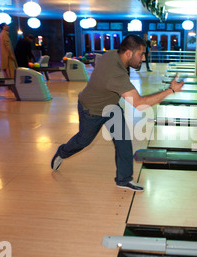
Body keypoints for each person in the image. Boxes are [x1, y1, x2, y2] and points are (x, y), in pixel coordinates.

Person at [50, 34, 184, 192]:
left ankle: (123, 179)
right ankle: (62, 152)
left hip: (111, 107)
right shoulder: (116, 74)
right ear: (128, 53)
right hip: (92, 110)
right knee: (82, 141)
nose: (143, 58)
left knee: (123, 141)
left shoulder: (114, 54)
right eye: (141, 54)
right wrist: (170, 90)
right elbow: (140, 104)